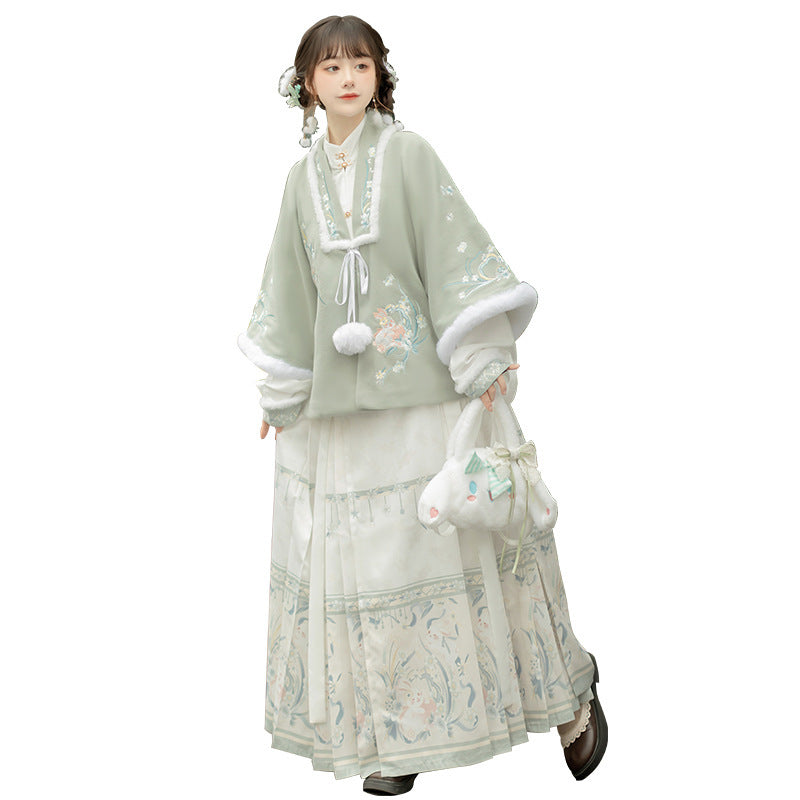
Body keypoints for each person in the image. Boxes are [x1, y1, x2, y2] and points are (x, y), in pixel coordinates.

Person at [237, 15, 607, 794]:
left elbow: (453, 253)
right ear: (307, 84)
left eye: (360, 64)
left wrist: (483, 354)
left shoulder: (408, 155)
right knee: (369, 578)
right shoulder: (299, 182)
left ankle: (570, 694)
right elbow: (289, 288)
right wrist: (282, 390)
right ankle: (394, 736)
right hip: (344, 418)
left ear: (379, 75)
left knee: (472, 550)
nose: (347, 78)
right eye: (331, 67)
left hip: (423, 399)